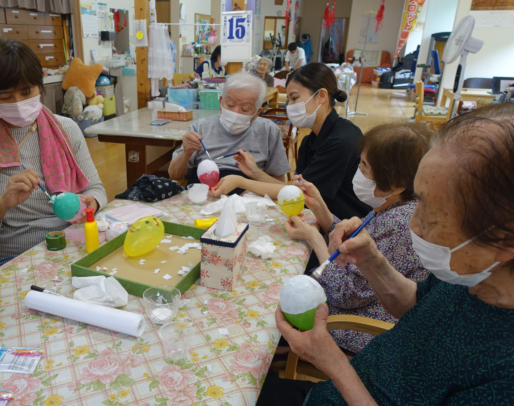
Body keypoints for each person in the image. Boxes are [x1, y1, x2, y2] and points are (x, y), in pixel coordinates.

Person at [246, 103, 514, 406]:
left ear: (504, 240)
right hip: (345, 387)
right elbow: (415, 304)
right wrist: (372, 259)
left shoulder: (503, 383)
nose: (413, 224)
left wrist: (334, 365)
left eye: (430, 211)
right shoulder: (472, 274)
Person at [0, 39, 107, 270]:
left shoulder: (65, 129)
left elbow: (96, 189)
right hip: (6, 258)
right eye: (5, 97)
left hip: (71, 244)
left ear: (40, 86)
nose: (18, 103)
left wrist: (91, 203)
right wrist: (2, 203)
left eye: (26, 92)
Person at [284, 123, 431, 352]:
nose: (358, 172)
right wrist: (319, 204)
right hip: (357, 304)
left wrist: (315, 238)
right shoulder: (393, 205)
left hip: (360, 326)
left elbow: (345, 293)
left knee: (283, 300)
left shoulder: (399, 224)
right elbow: (354, 246)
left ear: (396, 183)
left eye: (364, 166)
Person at [211, 63, 370, 220]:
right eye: (288, 99)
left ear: (321, 96)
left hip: (346, 225)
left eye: (295, 98)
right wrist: (255, 173)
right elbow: (291, 191)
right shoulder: (309, 141)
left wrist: (241, 182)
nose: (290, 106)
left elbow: (300, 196)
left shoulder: (342, 140)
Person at [169, 72, 290, 188]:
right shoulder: (200, 127)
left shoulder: (268, 131)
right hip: (203, 195)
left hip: (249, 198)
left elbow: (279, 184)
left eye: (245, 109)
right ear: (221, 102)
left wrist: (255, 174)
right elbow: (174, 175)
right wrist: (186, 153)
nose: (235, 113)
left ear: (257, 113)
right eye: (230, 105)